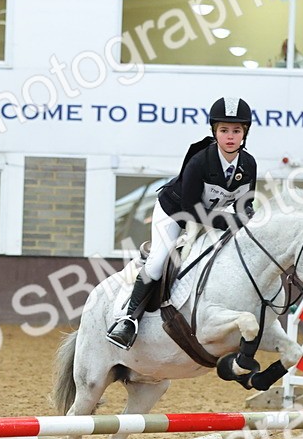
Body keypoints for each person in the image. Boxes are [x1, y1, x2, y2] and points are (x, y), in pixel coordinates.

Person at [105, 97, 258, 350]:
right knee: (157, 262)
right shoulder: (200, 161)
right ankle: (128, 320)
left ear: (245, 133)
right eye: (224, 130)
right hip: (175, 212)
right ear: (214, 132)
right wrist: (232, 221)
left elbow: (245, 203)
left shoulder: (249, 164)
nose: (230, 136)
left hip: (211, 216)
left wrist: (250, 219)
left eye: (236, 130)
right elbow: (190, 210)